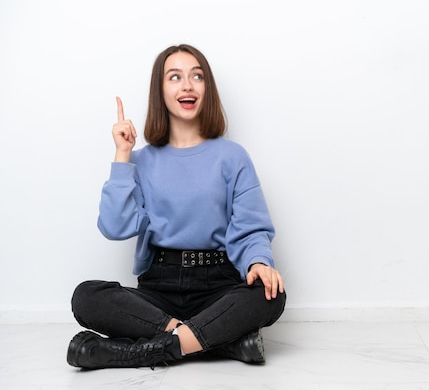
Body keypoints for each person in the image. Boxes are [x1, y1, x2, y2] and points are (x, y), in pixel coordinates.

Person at [67, 44, 286, 369]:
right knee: (86, 296)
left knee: (271, 294)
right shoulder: (141, 161)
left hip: (219, 286)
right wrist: (123, 156)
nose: (187, 85)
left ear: (206, 89)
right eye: (175, 77)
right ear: (161, 91)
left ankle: (140, 351)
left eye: (197, 76)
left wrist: (258, 263)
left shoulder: (232, 156)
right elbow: (115, 226)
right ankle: (220, 343)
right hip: (159, 287)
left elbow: (250, 228)